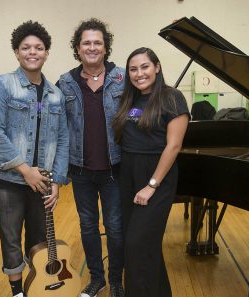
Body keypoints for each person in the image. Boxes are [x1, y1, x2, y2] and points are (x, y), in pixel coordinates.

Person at [0, 20, 69, 297]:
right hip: (7, 179)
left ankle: (38, 286)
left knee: (39, 241)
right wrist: (24, 170)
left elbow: (63, 139)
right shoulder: (2, 85)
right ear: (17, 52)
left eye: (39, 47)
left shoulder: (56, 94)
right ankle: (17, 291)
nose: (33, 52)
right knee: (10, 240)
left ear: (46, 52)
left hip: (43, 181)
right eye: (26, 47)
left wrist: (55, 181)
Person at [112, 47, 189, 297]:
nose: (139, 73)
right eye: (133, 69)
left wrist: (152, 184)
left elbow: (174, 145)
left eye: (144, 67)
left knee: (137, 244)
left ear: (157, 67)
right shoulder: (129, 99)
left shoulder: (172, 98)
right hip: (128, 174)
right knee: (140, 245)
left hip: (156, 175)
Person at [56, 18, 125, 297]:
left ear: (106, 47)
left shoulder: (122, 77)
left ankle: (117, 281)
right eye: (87, 43)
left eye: (98, 42)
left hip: (114, 168)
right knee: (88, 227)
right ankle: (97, 278)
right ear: (77, 47)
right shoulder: (65, 82)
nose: (92, 47)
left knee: (116, 228)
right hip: (81, 170)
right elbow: (59, 128)